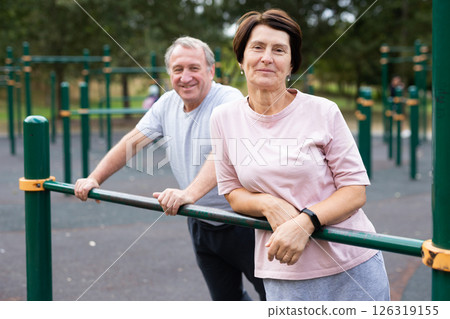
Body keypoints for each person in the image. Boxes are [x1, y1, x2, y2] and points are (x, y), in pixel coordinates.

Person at [209, 9, 390, 301]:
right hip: (284, 268)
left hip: (352, 262)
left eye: (279, 50)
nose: (267, 57)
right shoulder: (223, 118)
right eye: (257, 47)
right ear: (241, 60)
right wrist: (267, 203)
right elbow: (231, 191)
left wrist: (305, 222)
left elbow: (355, 191)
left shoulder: (323, 111)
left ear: (291, 64)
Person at [74, 36, 266, 301]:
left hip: (245, 223)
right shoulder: (166, 104)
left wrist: (188, 194)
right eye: (178, 69)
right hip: (201, 221)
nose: (185, 77)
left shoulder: (228, 100)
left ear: (211, 71)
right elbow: (131, 143)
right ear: (169, 74)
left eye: (194, 68)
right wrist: (95, 178)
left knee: (276, 299)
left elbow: (224, 153)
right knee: (226, 301)